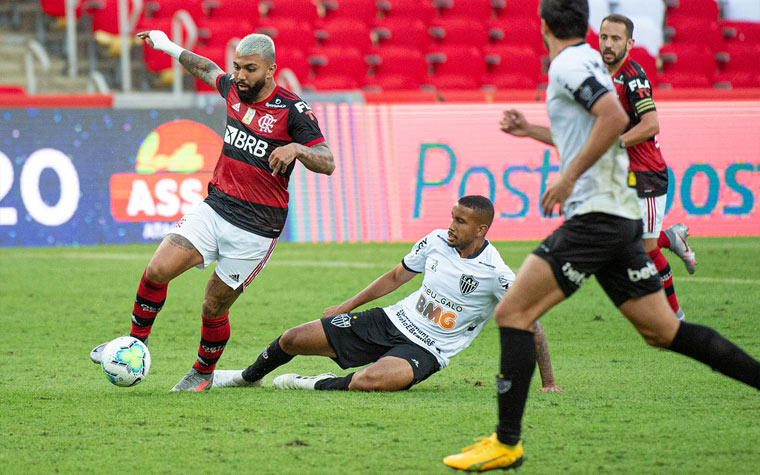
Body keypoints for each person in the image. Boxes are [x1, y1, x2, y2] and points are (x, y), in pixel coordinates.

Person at [443, 1, 760, 472]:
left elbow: (613, 119)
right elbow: (593, 131)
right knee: (663, 330)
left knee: (514, 311)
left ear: (544, 26)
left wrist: (568, 179)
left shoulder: (569, 63)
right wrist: (530, 130)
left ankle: (506, 442)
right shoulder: (590, 59)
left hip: (595, 218)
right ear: (588, 26)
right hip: (620, 217)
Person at [89, 31, 335, 392]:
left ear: (271, 70)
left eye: (250, 69)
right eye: (237, 67)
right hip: (216, 207)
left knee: (213, 307)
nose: (240, 75)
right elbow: (205, 68)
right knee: (157, 270)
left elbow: (327, 161)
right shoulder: (234, 90)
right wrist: (168, 46)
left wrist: (297, 148)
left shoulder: (294, 111)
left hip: (256, 228)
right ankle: (132, 343)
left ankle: (203, 372)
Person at [213, 196, 563, 393]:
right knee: (293, 338)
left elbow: (530, 322)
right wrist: (347, 306)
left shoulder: (497, 274)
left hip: (428, 348)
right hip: (393, 319)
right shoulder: (437, 241)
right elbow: (397, 276)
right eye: (452, 216)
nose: (451, 226)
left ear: (481, 229)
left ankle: (313, 383)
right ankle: (246, 377)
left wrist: (548, 382)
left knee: (372, 381)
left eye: (461, 221)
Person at [599, 13, 695, 320]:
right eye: (604, 37)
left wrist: (614, 144)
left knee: (648, 251)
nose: (609, 44)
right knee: (624, 239)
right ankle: (673, 237)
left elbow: (651, 124)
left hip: (646, 175)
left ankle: (675, 315)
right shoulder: (598, 73)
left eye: (616, 39)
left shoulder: (634, 78)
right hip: (621, 173)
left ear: (630, 43)